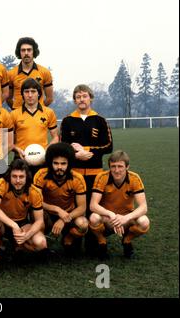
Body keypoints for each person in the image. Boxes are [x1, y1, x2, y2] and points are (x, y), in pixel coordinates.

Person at [60, 84, 113, 256]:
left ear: (90, 98)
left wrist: (87, 151)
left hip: (95, 174)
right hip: (74, 175)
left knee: (94, 209)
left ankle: (94, 243)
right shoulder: (68, 121)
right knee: (75, 209)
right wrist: (76, 154)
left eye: (84, 96)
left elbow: (108, 146)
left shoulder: (100, 120)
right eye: (78, 96)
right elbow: (63, 146)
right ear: (74, 100)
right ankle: (72, 240)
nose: (81, 99)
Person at [89, 150, 150, 260]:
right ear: (109, 167)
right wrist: (111, 214)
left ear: (127, 167)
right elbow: (93, 205)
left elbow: (143, 207)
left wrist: (126, 218)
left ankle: (127, 240)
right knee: (93, 218)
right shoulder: (102, 177)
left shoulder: (134, 178)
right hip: (108, 219)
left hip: (126, 219)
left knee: (144, 221)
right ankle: (102, 242)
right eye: (113, 166)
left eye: (120, 166)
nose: (116, 170)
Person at [33, 142, 89, 256]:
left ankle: (68, 237)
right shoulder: (40, 175)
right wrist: (57, 209)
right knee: (37, 216)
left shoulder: (77, 178)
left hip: (69, 214)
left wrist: (63, 219)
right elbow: (36, 202)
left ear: (69, 164)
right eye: (56, 163)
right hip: (47, 213)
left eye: (63, 164)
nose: (59, 167)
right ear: (50, 163)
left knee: (83, 224)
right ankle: (44, 243)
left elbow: (82, 208)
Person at [0, 159, 49, 258]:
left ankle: (18, 246)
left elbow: (39, 221)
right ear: (9, 176)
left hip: (22, 223)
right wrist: (13, 225)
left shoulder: (34, 191)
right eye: (14, 176)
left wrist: (27, 235)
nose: (17, 181)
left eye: (21, 177)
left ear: (27, 177)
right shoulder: (3, 183)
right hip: (2, 223)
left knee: (41, 244)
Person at [11, 78, 58, 175]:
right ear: (22, 94)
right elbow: (7, 141)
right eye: (26, 92)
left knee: (42, 189)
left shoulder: (49, 112)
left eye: (33, 91)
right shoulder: (14, 114)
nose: (30, 95)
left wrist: (47, 149)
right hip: (21, 159)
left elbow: (56, 137)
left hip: (42, 159)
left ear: (39, 93)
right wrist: (16, 149)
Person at [7, 37, 53, 109]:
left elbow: (49, 98)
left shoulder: (45, 72)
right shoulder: (11, 74)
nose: (26, 53)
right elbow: (8, 99)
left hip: (38, 118)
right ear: (19, 52)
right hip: (18, 117)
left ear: (33, 51)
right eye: (23, 50)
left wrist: (38, 110)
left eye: (29, 50)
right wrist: (17, 111)